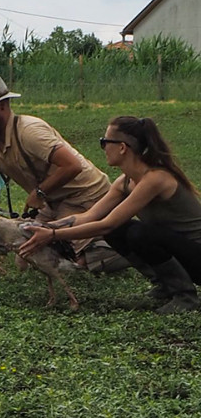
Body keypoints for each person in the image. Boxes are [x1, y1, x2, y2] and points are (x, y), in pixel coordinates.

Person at [20, 116, 201, 314]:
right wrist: (46, 227)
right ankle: (165, 286)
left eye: (104, 142)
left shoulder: (155, 179)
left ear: (122, 147)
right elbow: (90, 216)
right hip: (182, 252)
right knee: (122, 231)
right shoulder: (125, 182)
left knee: (138, 233)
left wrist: (53, 236)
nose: (103, 147)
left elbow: (107, 224)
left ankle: (185, 296)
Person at [0, 73, 124, 272]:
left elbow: (72, 166)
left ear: (2, 106)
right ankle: (94, 236)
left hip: (84, 194)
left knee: (73, 263)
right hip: (51, 203)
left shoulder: (30, 131)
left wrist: (39, 193)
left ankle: (120, 246)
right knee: (26, 258)